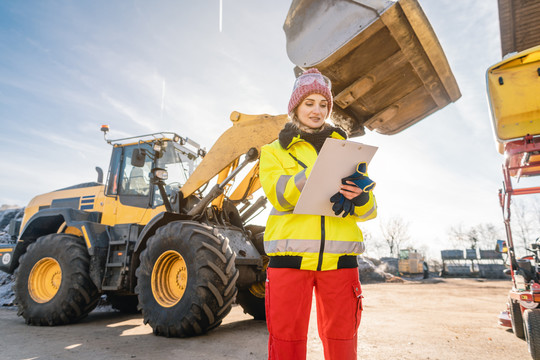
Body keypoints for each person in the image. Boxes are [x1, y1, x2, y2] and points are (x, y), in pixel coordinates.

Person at [259, 68, 377, 360]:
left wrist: (360, 196)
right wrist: (309, 177)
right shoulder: (273, 151)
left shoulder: (349, 151)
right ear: (295, 107)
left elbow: (369, 210)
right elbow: (278, 194)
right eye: (309, 103)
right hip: (290, 261)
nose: (317, 110)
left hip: (340, 262)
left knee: (342, 344)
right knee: (286, 344)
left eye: (323, 104)